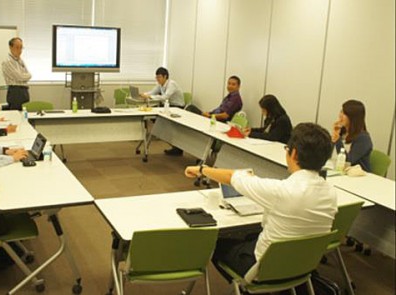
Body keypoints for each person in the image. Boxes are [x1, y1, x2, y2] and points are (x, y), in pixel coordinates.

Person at [185, 122, 337, 279]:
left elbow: (232, 177)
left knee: (218, 244)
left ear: (294, 154)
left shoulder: (281, 191)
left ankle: (244, 288)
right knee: (251, 234)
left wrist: (202, 169)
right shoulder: (331, 194)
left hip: (264, 269)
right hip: (304, 265)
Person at [142, 67, 186, 156]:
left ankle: (176, 145)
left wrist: (150, 97)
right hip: (168, 106)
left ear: (165, 77)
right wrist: (144, 94)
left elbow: (165, 97)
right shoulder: (160, 85)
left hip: (177, 107)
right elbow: (152, 92)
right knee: (153, 113)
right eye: (156, 77)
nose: (157, 79)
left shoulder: (171, 84)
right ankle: (167, 136)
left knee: (159, 118)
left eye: (159, 77)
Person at [331, 99, 373, 172]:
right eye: (341, 111)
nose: (340, 115)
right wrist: (334, 137)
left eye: (344, 113)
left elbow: (347, 162)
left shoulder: (363, 138)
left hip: (356, 176)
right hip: (338, 171)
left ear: (353, 117)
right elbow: (328, 154)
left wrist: (337, 139)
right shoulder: (342, 132)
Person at [2, 37, 32, 110]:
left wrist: (25, 76)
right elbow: (19, 77)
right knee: (16, 114)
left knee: (24, 113)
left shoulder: (20, 60)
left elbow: (29, 75)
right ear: (10, 47)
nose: (20, 50)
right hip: (15, 91)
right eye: (17, 47)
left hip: (24, 90)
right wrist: (25, 76)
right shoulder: (8, 61)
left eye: (21, 48)